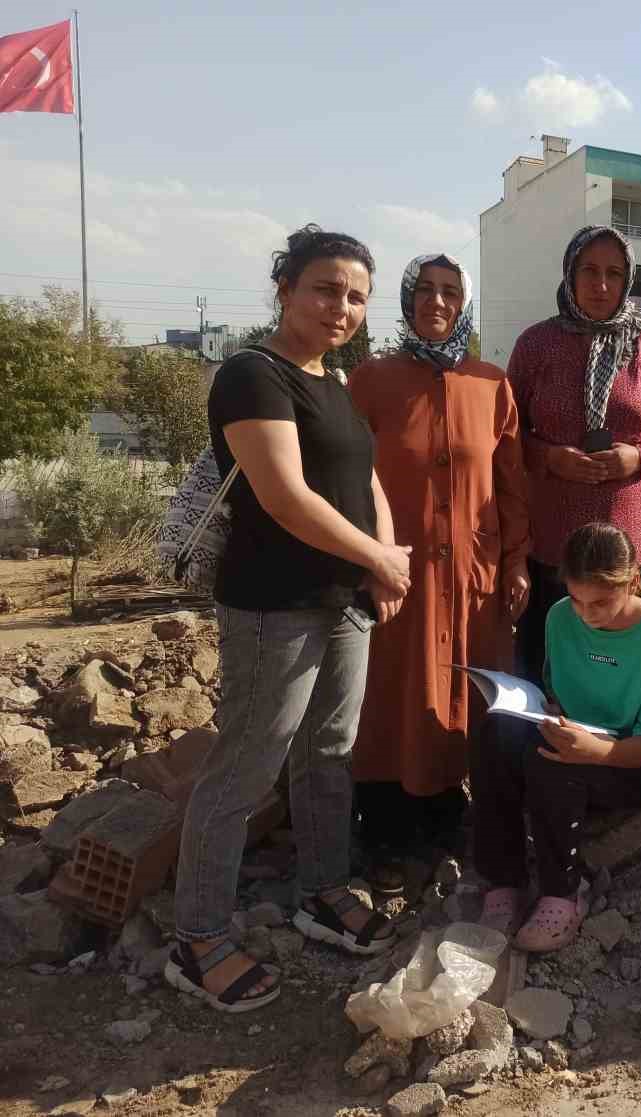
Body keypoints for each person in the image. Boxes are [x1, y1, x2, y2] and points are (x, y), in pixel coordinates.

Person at [168, 226, 409, 1013]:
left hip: (343, 602)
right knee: (245, 766)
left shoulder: (331, 379)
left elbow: (361, 476)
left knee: (329, 753)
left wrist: (385, 551)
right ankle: (197, 936)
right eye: (326, 289)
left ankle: (322, 890)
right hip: (274, 605)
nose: (342, 307)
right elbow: (284, 495)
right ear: (286, 291)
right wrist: (379, 560)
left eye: (356, 296)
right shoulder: (251, 375)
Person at [346, 253, 531, 893]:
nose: (437, 301)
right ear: (406, 299)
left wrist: (515, 562)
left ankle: (452, 818)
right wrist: (365, 556)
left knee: (466, 692)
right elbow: (346, 478)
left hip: (473, 577)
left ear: (464, 304)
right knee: (392, 688)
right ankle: (386, 830)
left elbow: (511, 484)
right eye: (424, 289)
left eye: (450, 291)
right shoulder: (370, 382)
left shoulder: (491, 384)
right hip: (398, 572)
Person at [470, 522, 641, 951]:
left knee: (552, 761)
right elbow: (558, 690)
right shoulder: (559, 617)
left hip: (630, 761)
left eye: (602, 601)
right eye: (577, 599)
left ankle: (562, 891)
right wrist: (548, 709)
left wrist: (596, 751)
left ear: (631, 581)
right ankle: (504, 881)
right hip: (575, 735)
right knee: (494, 734)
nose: (587, 614)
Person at [507, 225, 641, 680]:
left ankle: (627, 750)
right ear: (570, 273)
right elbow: (506, 431)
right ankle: (547, 747)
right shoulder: (536, 344)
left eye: (614, 272)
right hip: (555, 544)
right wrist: (550, 456)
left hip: (633, 547)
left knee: (630, 668)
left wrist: (639, 457)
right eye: (589, 270)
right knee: (552, 667)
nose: (601, 284)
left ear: (629, 279)